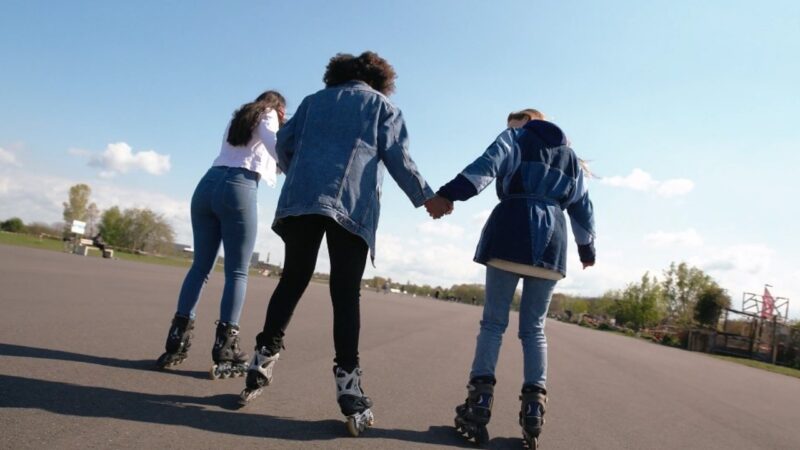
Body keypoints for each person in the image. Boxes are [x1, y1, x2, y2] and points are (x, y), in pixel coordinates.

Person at [238, 51, 435, 437]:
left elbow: (283, 144)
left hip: (301, 199)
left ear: (337, 75)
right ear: (382, 79)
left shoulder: (313, 102)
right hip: (350, 204)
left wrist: (301, 170)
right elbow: (397, 156)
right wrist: (427, 197)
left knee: (293, 278)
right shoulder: (382, 107)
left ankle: (261, 361)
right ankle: (349, 387)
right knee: (345, 293)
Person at [426, 109, 596, 447]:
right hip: (553, 240)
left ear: (526, 122)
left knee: (493, 323)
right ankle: (534, 409)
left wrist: (448, 194)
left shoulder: (515, 138)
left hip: (512, 227)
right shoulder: (571, 158)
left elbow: (484, 168)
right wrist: (586, 248)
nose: (508, 130)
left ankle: (479, 403)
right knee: (534, 329)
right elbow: (583, 206)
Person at [155, 90, 287, 380]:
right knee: (237, 272)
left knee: (200, 266)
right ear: (278, 110)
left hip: (206, 186)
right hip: (238, 188)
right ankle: (225, 349)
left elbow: (259, 158)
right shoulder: (268, 115)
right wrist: (297, 163)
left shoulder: (239, 118)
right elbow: (274, 147)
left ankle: (176, 341)